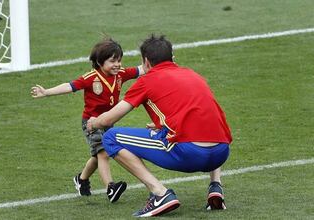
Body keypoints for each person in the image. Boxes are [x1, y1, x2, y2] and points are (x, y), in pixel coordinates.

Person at [86, 35, 232, 217]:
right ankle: (215, 186)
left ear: (146, 62)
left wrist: (95, 122)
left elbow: (108, 120)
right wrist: (163, 126)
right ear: (172, 57)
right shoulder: (193, 74)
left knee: (110, 137)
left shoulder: (147, 80)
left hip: (190, 154)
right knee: (209, 124)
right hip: (221, 152)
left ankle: (160, 194)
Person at [31, 38, 144, 203]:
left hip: (108, 121)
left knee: (97, 155)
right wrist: (47, 92)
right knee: (104, 152)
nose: (117, 64)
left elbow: (141, 70)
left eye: (119, 60)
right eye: (112, 61)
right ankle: (110, 188)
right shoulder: (91, 78)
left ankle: (81, 179)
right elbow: (70, 86)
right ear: (99, 62)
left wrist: (161, 62)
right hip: (91, 122)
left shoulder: (120, 74)